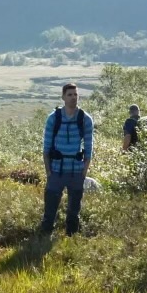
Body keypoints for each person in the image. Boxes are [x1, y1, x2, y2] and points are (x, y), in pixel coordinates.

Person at [40, 82, 94, 237]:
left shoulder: (85, 119)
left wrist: (84, 170)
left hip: (76, 171)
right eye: (69, 95)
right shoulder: (53, 118)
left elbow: (89, 147)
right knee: (50, 210)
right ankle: (43, 239)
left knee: (74, 211)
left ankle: (71, 240)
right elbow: (46, 147)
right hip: (56, 170)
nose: (73, 98)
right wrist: (48, 171)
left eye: (75, 94)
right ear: (63, 97)